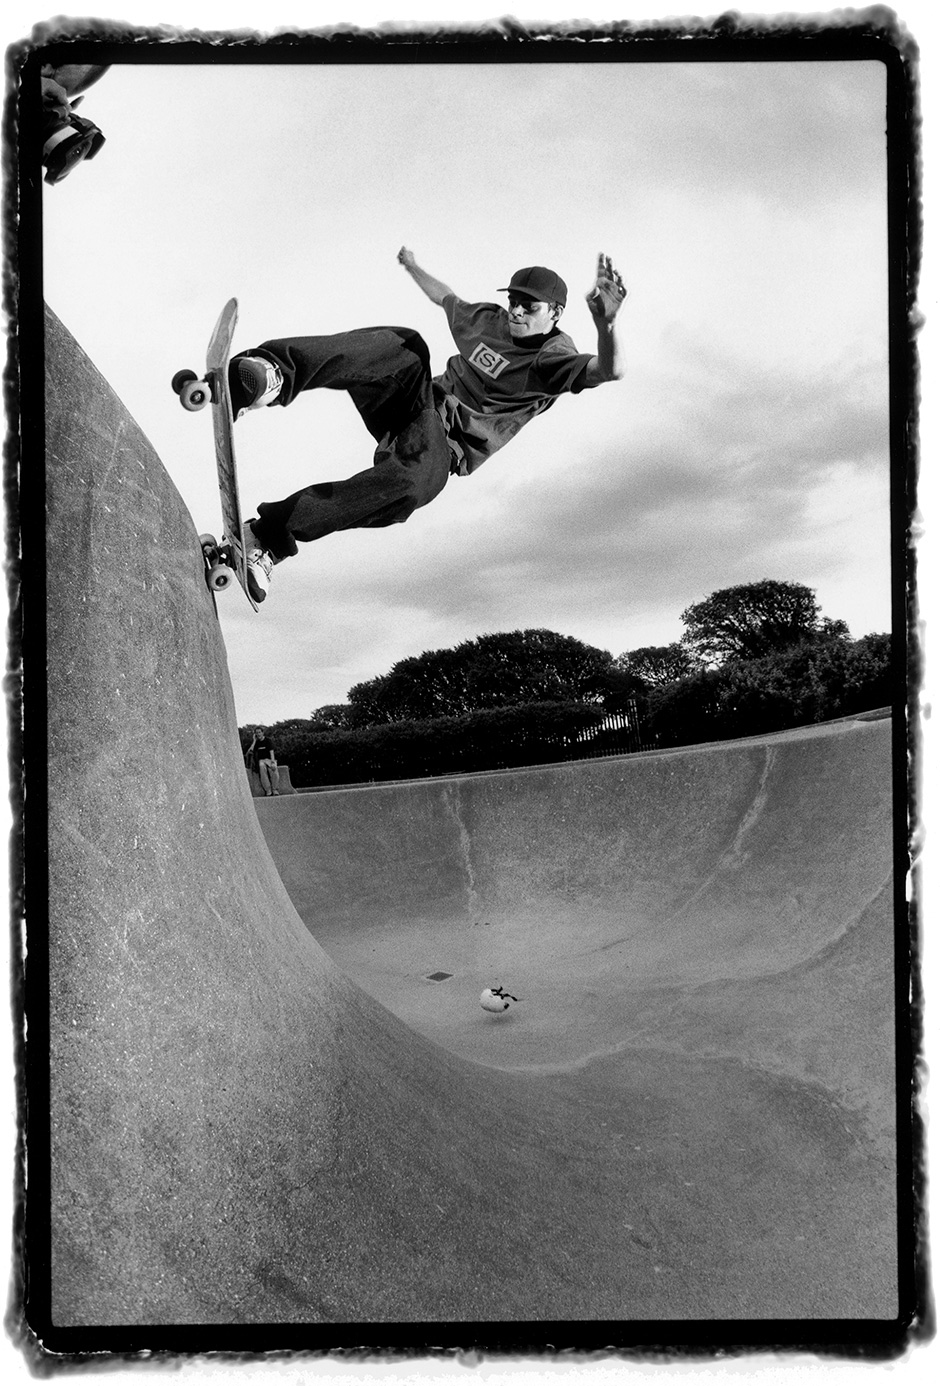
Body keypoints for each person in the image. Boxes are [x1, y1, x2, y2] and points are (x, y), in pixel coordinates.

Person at [229, 249, 627, 603]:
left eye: (530, 307)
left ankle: (267, 538)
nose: (517, 313)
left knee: (416, 487)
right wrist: (413, 266)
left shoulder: (553, 356)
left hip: (441, 447)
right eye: (514, 303)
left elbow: (609, 371)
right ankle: (271, 374)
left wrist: (607, 326)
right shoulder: (487, 319)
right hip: (414, 405)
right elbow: (444, 297)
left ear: (555, 313)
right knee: (406, 345)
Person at [245, 728, 279, 795]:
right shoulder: (257, 743)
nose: (258, 734)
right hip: (262, 761)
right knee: (262, 767)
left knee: (274, 771)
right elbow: (249, 751)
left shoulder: (268, 741)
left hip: (269, 759)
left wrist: (272, 763)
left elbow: (271, 752)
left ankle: (275, 789)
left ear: (263, 733)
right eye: (257, 733)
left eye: (259, 732)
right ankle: (268, 790)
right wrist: (254, 741)